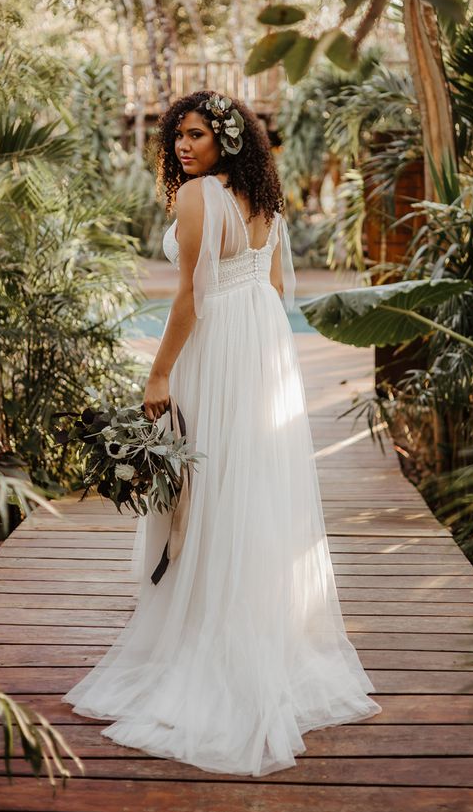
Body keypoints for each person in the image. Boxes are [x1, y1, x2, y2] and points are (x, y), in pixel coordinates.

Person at [61, 90, 382, 776]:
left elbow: (189, 298)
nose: (183, 145)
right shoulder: (260, 197)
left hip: (217, 346)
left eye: (198, 134)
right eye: (179, 133)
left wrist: (158, 376)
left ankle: (209, 640)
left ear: (225, 141)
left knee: (205, 487)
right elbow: (266, 285)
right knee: (247, 485)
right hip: (258, 344)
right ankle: (257, 633)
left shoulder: (199, 197)